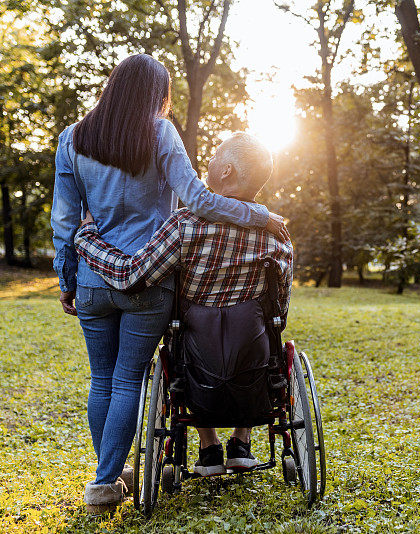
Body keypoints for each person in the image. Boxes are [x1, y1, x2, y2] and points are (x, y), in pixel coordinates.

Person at [50, 54, 288, 514]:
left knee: (101, 380)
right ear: (156, 96)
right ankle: (104, 483)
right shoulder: (159, 133)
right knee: (127, 382)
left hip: (95, 277)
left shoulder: (72, 138)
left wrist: (68, 277)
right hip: (151, 280)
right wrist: (257, 214)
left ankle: (111, 477)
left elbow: (64, 221)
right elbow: (198, 199)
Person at [74, 132, 292, 480]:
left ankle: (208, 446)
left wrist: (86, 240)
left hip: (194, 367)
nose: (208, 160)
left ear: (227, 171)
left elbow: (131, 275)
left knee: (182, 339)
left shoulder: (184, 225)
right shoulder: (277, 234)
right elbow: (279, 309)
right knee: (258, 329)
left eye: (216, 155)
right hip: (252, 366)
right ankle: (241, 441)